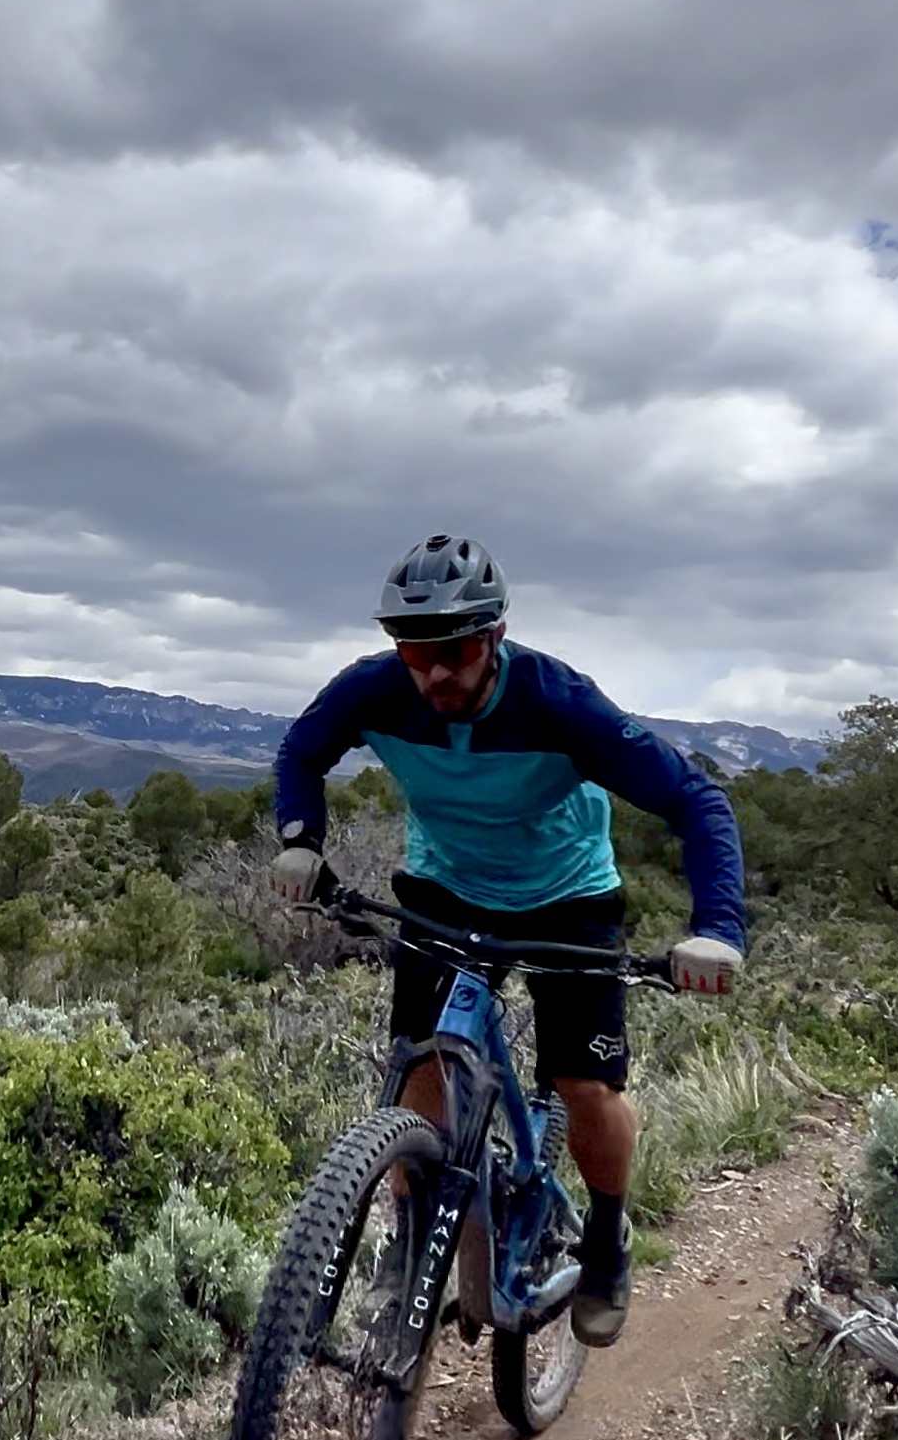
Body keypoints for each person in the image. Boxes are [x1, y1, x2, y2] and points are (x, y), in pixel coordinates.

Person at [268, 533, 747, 1347]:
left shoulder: (559, 702)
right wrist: (300, 837)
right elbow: (301, 751)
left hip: (567, 897)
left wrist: (718, 931)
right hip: (448, 888)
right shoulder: (375, 690)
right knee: (420, 1057)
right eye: (413, 652)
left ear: (492, 637)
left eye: (451, 650)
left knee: (584, 1085)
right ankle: (416, 1230)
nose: (433, 673)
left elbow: (696, 801)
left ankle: (605, 1236)